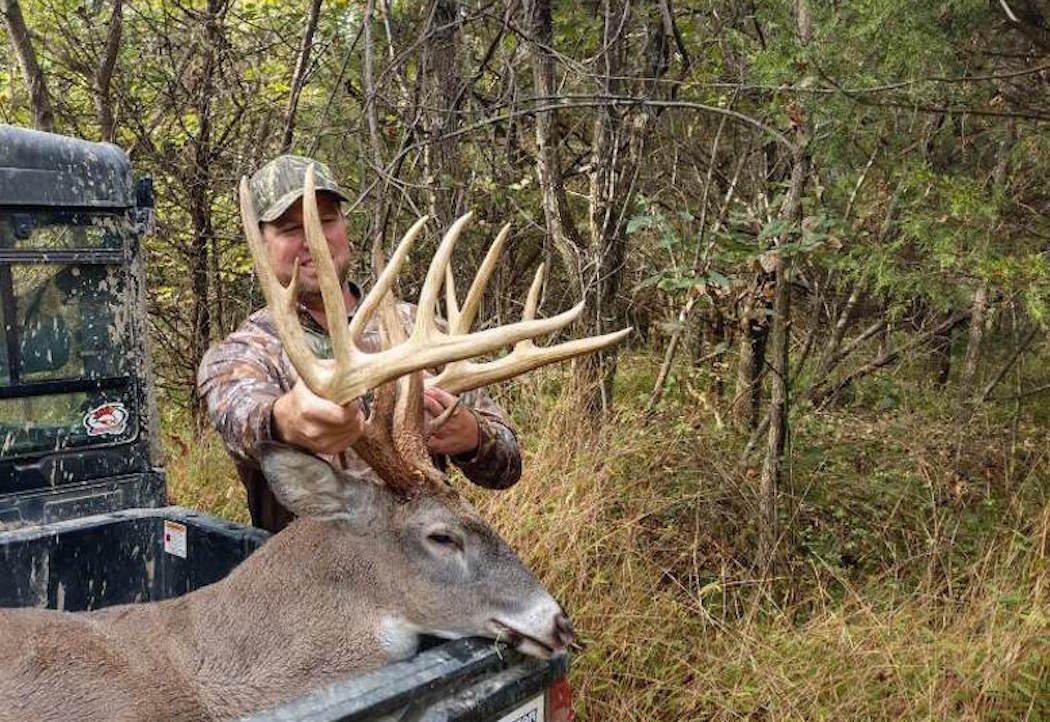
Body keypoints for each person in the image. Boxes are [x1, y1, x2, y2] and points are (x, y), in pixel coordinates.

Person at [197, 155, 521, 532]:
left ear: (344, 227)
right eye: (289, 228)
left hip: (425, 569)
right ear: (262, 245)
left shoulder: (417, 328)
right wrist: (286, 420)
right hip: (313, 580)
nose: (312, 240)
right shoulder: (244, 353)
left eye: (326, 220)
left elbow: (507, 466)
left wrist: (472, 436)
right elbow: (240, 422)